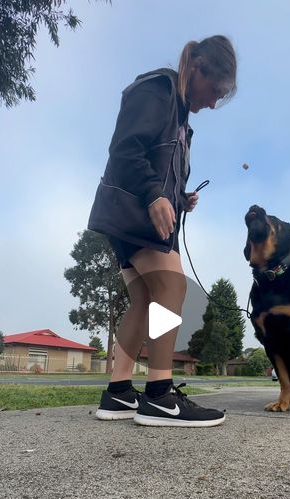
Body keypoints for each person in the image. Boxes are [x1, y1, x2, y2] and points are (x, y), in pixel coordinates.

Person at [88, 35, 237, 427]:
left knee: (142, 297)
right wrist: (155, 195)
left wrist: (178, 196)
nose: (213, 103)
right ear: (197, 68)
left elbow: (159, 165)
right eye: (214, 91)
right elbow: (124, 148)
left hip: (131, 215)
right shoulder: (159, 89)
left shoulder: (181, 117)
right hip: (134, 213)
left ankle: (118, 393)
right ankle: (159, 396)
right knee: (172, 287)